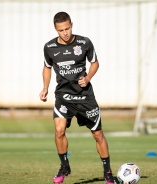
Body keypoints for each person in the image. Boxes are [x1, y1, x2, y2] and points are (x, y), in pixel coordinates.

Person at [39, 12, 116, 184]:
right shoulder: (49, 47)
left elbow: (95, 62)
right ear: (55, 29)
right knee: (59, 130)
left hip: (85, 97)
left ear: (72, 25)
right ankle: (64, 166)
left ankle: (108, 172)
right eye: (61, 30)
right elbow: (47, 67)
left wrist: (88, 78)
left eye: (67, 28)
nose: (65, 33)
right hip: (63, 96)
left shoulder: (84, 42)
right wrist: (45, 88)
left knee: (98, 134)